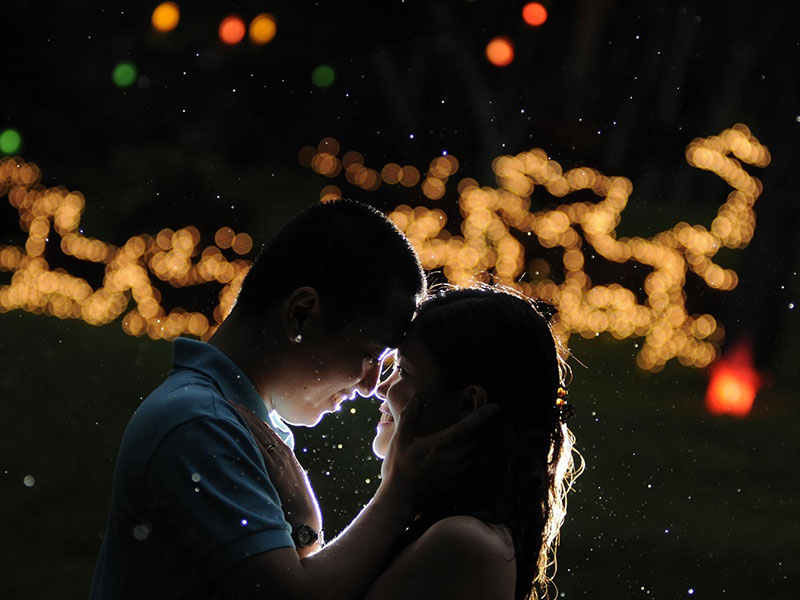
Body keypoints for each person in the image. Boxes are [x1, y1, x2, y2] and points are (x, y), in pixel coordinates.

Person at [90, 199, 496, 599]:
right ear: (301, 313)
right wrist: (401, 490)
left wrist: (304, 529)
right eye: (371, 355)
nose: (374, 385)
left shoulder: (243, 422)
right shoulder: (200, 424)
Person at [365, 285, 581, 600]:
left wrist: (303, 527)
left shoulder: (462, 542)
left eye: (403, 371)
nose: (381, 388)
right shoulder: (453, 529)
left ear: (468, 404)